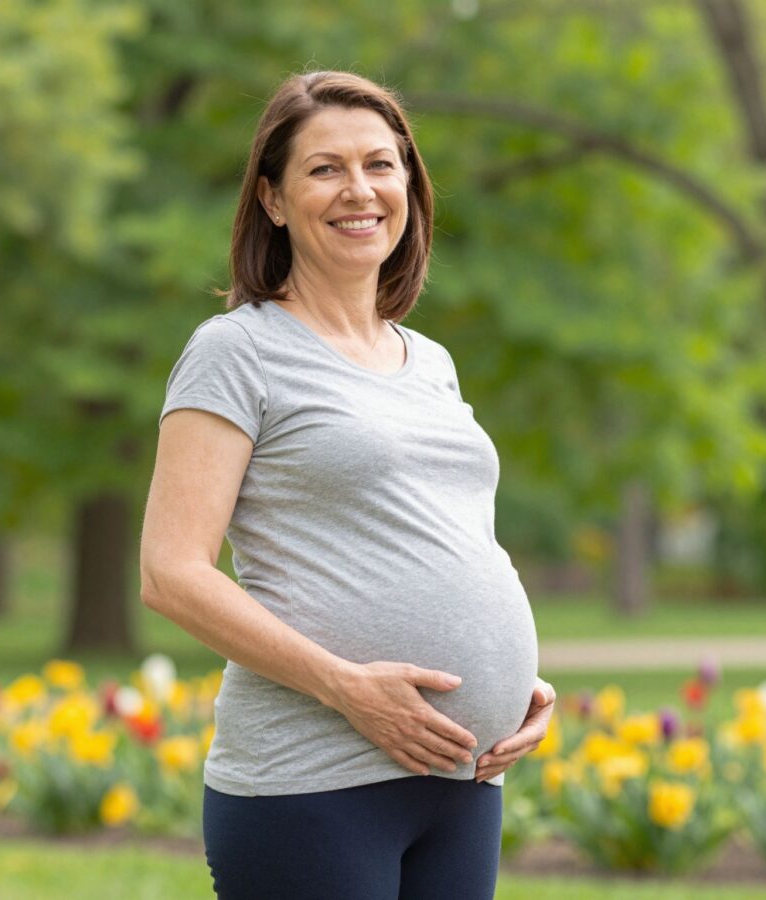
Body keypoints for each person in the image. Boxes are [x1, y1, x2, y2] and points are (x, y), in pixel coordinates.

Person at [139, 70, 556, 900]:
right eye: (325, 168)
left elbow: (445, 538)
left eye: (380, 164)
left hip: (463, 778)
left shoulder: (430, 361)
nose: (359, 189)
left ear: (409, 187)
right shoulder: (237, 352)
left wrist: (514, 680)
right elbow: (170, 574)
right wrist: (346, 687)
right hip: (313, 781)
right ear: (273, 200)